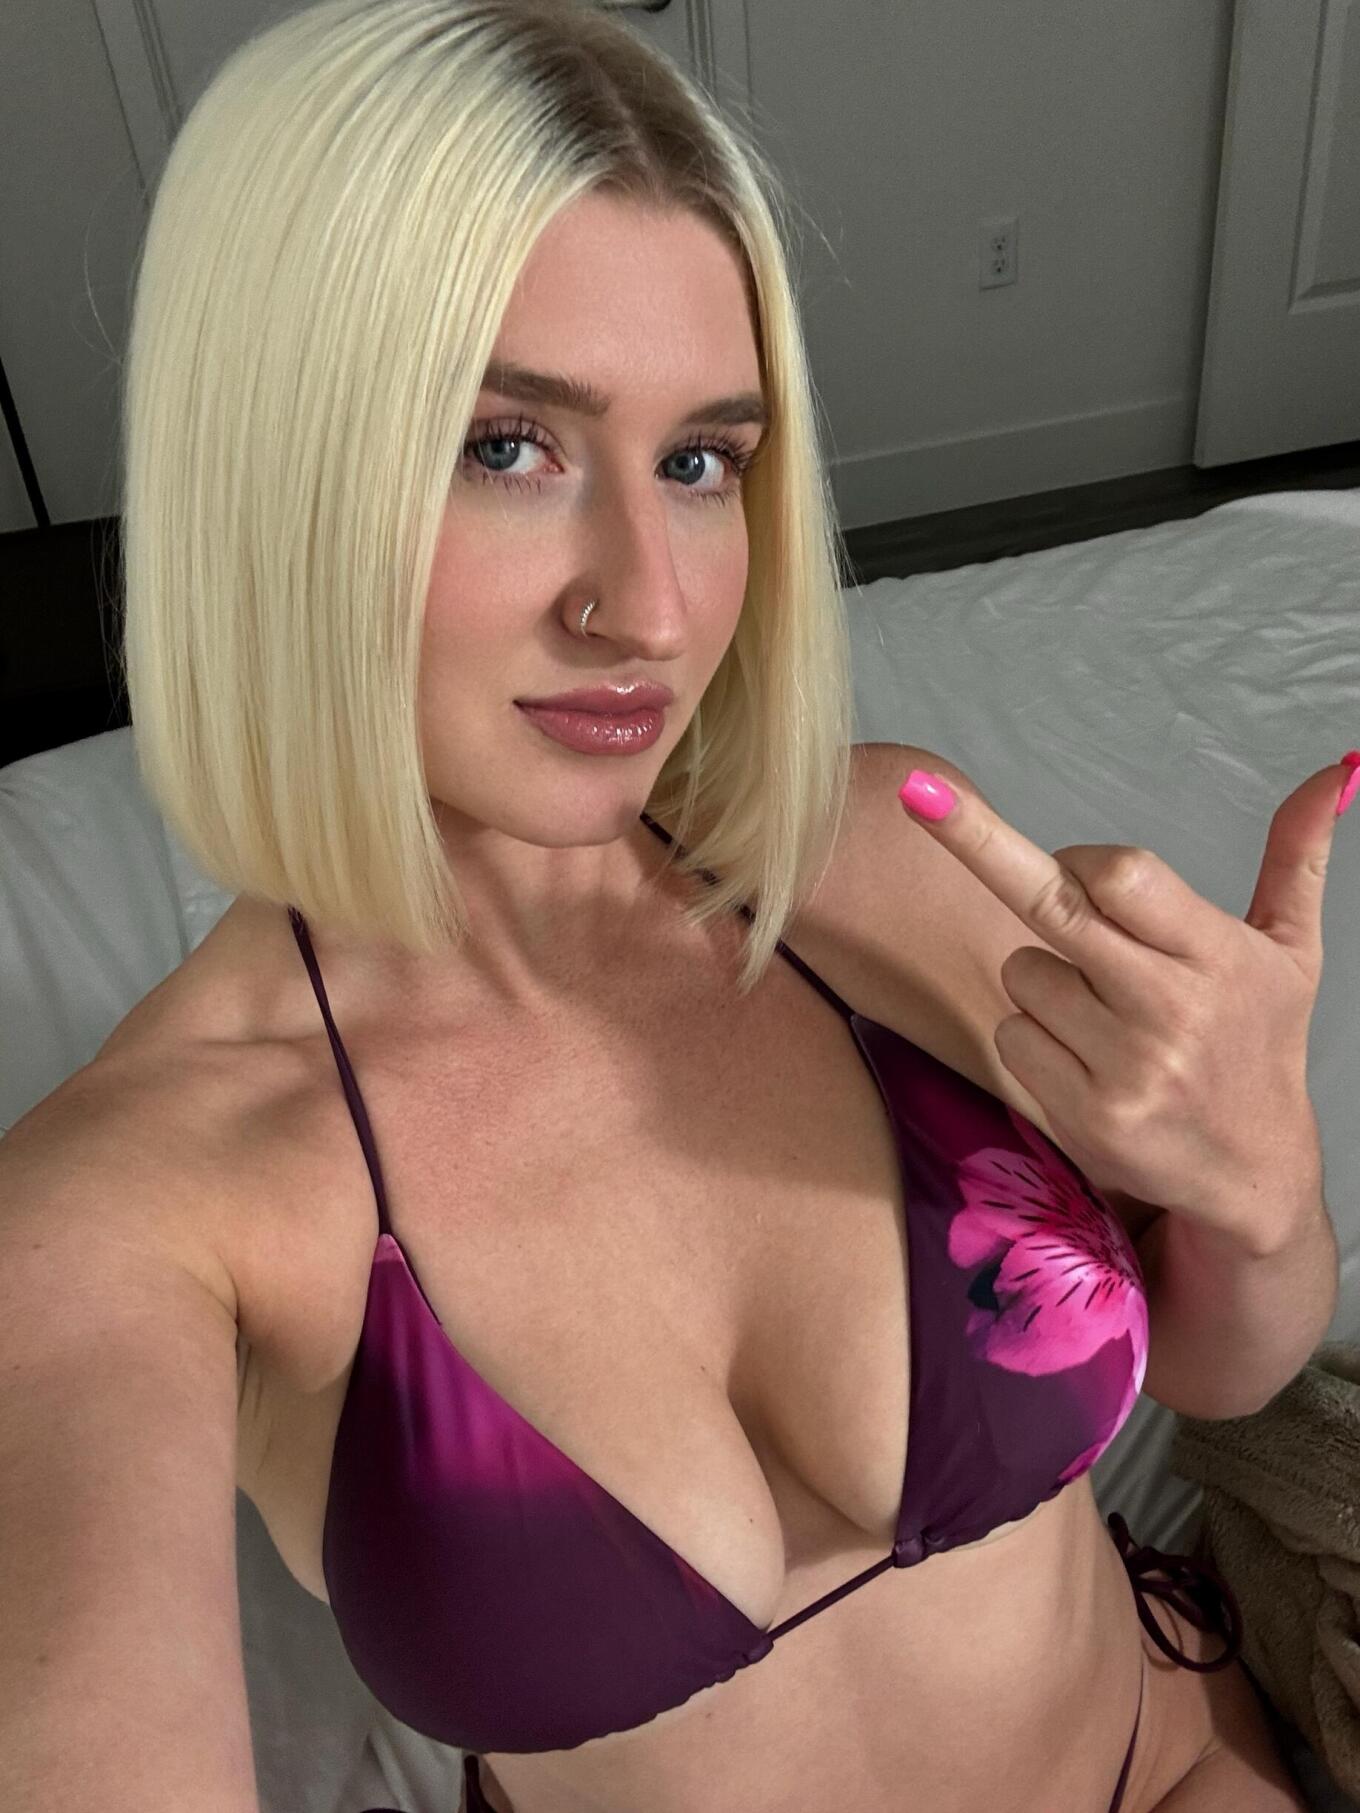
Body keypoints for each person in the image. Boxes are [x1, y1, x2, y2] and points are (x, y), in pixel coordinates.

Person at [0, 2, 1312, 1809]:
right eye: (507, 445)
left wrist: (1261, 1182)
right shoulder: (130, 1202)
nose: (653, 606)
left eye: (701, 462)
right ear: (272, 475)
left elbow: (1228, 1373)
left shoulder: (877, 860)